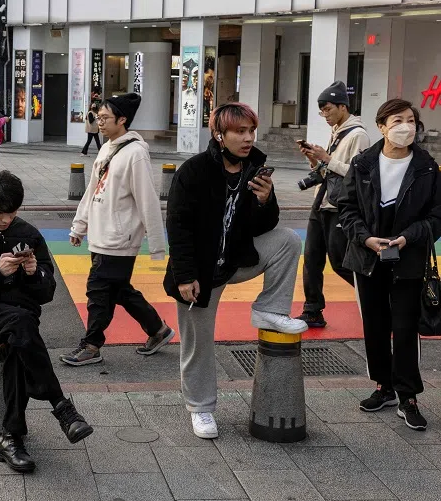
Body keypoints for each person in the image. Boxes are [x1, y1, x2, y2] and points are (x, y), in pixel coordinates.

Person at [163, 102, 307, 440]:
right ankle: (200, 409)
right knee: (198, 343)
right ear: (219, 134)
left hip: (236, 261)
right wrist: (185, 275)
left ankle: (270, 310)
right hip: (199, 273)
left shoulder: (254, 169)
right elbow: (178, 225)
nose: (247, 138)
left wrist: (264, 201)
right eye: (239, 132)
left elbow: (264, 226)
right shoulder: (193, 171)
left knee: (287, 240)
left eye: (250, 131)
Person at [0, 171, 93, 472]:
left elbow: (48, 291)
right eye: (0, 215)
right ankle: (61, 407)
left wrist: (35, 272)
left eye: (12, 214)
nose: (7, 220)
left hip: (20, 313)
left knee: (19, 336)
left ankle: (11, 437)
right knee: (21, 326)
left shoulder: (28, 233)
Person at [338, 98, 441, 431]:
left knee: (406, 327)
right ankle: (384, 387)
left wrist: (408, 237)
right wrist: (366, 238)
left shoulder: (426, 166)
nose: (405, 126)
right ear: (381, 126)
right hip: (368, 258)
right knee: (375, 324)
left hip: (408, 259)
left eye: (411, 120)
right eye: (397, 120)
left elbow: (437, 216)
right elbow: (347, 208)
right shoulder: (363, 163)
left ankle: (408, 395)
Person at [60, 93, 173, 366]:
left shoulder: (135, 154)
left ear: (122, 120)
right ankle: (158, 330)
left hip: (119, 238)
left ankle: (91, 345)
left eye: (105, 118)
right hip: (102, 235)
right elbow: (92, 191)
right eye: (98, 117)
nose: (99, 122)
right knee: (118, 290)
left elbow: (147, 199)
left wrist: (158, 245)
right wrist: (80, 225)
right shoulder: (107, 147)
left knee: (98, 289)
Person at [296, 81, 370, 328]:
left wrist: (326, 158)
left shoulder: (358, 135)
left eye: (327, 109)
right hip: (322, 202)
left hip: (340, 207)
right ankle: (312, 309)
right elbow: (329, 172)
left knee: (340, 261)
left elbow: (358, 173)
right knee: (311, 259)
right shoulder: (337, 131)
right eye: (321, 110)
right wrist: (314, 160)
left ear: (342, 106)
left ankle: (378, 298)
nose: (325, 115)